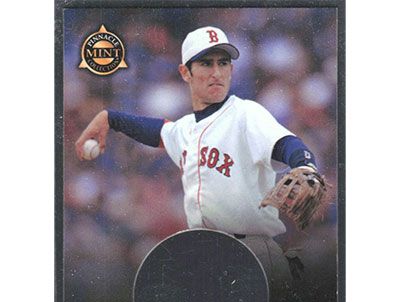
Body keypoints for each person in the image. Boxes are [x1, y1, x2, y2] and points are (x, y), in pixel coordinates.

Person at [75, 26, 319, 288]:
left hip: (254, 253)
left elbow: (285, 143)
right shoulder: (186, 128)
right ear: (185, 72)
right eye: (206, 63)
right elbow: (158, 131)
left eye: (223, 63)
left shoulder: (246, 114)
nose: (216, 72)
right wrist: (111, 118)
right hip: (208, 256)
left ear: (231, 70)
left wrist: (305, 165)